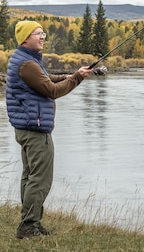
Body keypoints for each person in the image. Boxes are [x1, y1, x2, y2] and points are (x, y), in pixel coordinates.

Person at [6, 20, 93, 239]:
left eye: (43, 33)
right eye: (38, 34)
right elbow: (51, 90)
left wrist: (71, 75)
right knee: (40, 179)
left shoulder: (28, 60)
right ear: (26, 38)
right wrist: (76, 79)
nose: (43, 37)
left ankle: (30, 222)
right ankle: (28, 226)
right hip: (35, 129)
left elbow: (46, 79)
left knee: (30, 176)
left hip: (27, 127)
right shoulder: (27, 64)